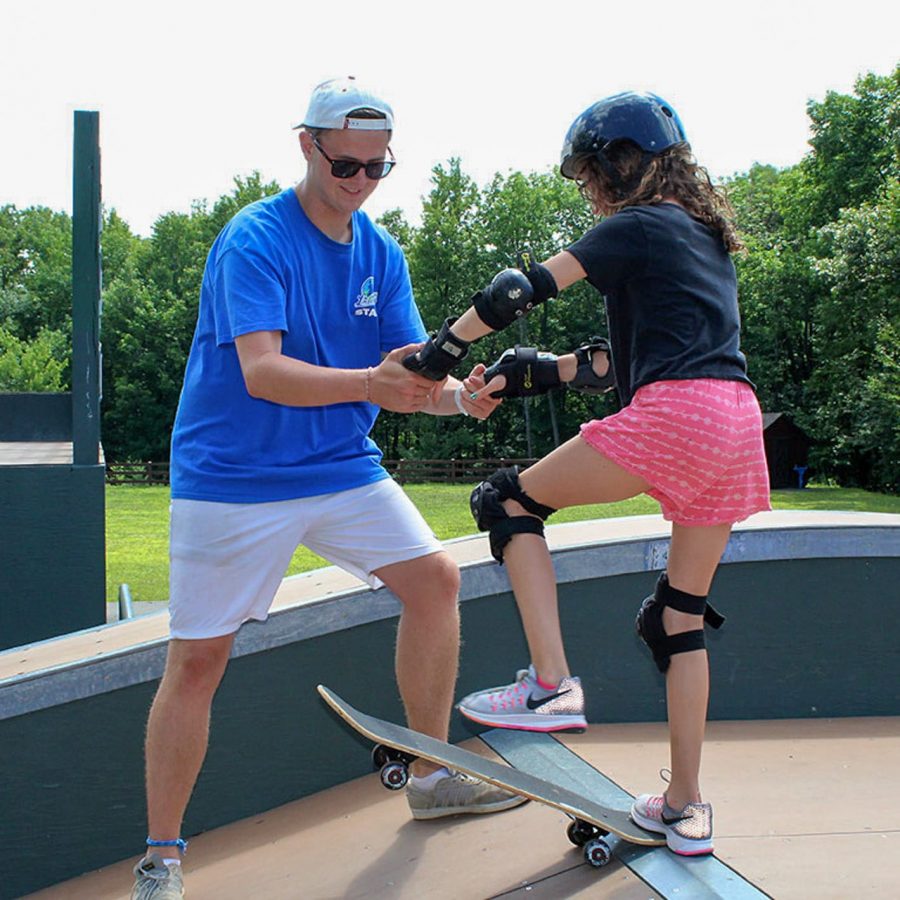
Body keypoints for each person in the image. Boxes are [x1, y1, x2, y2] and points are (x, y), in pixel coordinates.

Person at [131, 76, 525, 900]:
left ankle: (429, 776)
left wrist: (462, 395)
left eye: (379, 168)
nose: (361, 182)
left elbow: (410, 372)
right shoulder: (255, 241)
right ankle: (162, 859)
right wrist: (369, 386)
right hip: (232, 477)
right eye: (347, 164)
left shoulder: (380, 253)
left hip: (340, 467)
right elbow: (264, 371)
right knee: (199, 661)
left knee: (435, 581)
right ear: (306, 145)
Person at [413, 91, 771, 856]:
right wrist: (533, 373)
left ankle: (550, 682)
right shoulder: (702, 237)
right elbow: (613, 366)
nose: (589, 192)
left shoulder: (633, 224)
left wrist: (440, 353)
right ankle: (686, 805)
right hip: (736, 423)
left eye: (589, 177)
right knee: (675, 619)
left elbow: (519, 290)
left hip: (676, 416)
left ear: (621, 163)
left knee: (509, 502)